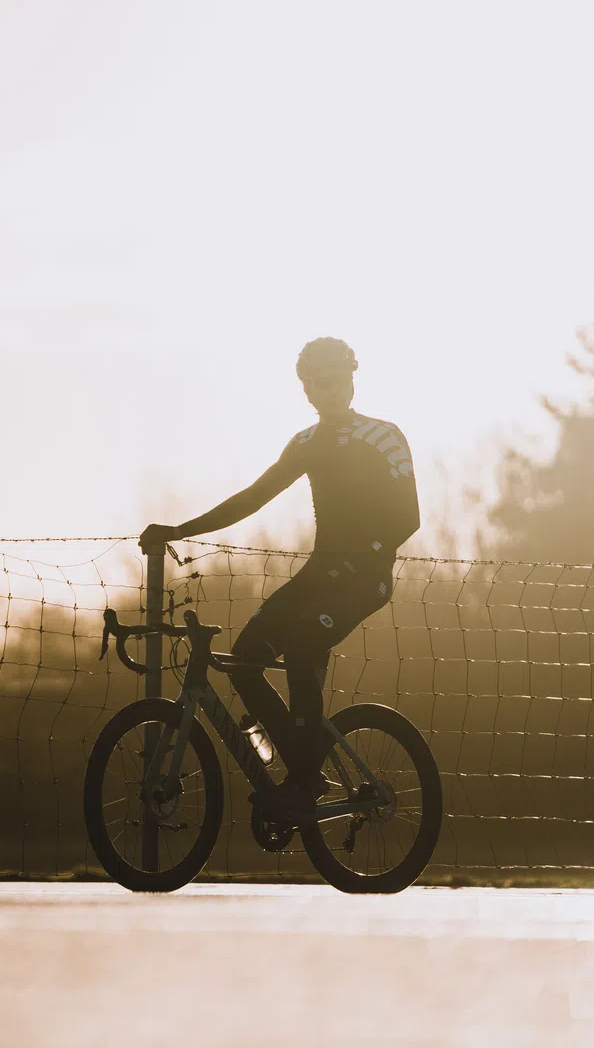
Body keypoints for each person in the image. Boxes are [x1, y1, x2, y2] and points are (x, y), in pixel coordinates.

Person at [140, 337, 419, 824]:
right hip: (320, 573)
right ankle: (302, 763)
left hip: (364, 579)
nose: (330, 390)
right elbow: (254, 497)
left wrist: (367, 557)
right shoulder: (307, 443)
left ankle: (305, 779)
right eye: (319, 384)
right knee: (247, 657)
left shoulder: (384, 435)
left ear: (353, 381)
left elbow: (408, 517)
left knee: (304, 644)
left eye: (338, 380)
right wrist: (181, 530)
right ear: (307, 391)